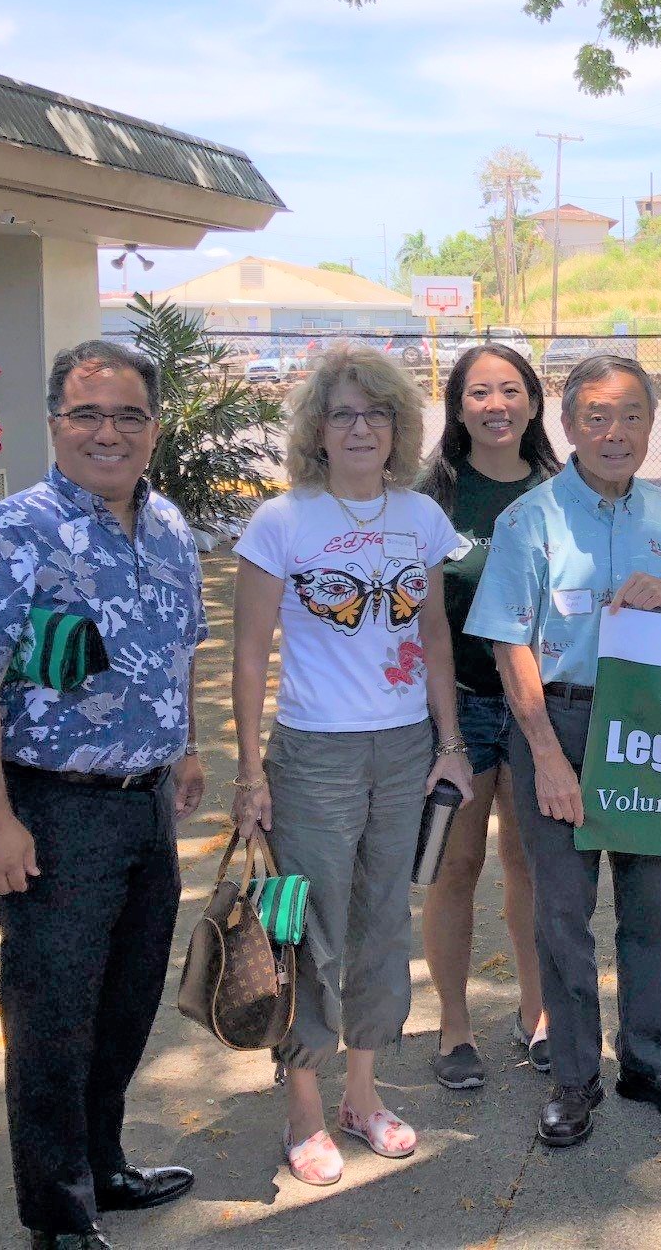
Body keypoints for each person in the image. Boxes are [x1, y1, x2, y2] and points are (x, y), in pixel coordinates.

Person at [0, 339, 207, 1250]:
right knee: (51, 1019)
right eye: (87, 414)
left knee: (125, 1004)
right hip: (50, 813)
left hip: (147, 803)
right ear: (54, 424)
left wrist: (187, 747)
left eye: (128, 415)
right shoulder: (5, 536)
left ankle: (105, 1166)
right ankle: (57, 1213)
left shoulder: (169, 530)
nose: (107, 432)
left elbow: (179, 648)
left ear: (154, 428)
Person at [231, 343, 472, 1188]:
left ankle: (361, 1096)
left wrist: (449, 744)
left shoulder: (420, 518)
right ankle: (301, 1104)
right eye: (343, 413)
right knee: (307, 930)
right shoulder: (283, 521)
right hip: (314, 755)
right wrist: (251, 771)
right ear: (317, 430)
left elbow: (433, 635)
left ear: (399, 427)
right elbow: (250, 652)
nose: (361, 427)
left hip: (406, 749)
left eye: (376, 413)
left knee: (382, 924)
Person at [470, 354, 661, 1148]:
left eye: (632, 417)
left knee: (651, 910)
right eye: (597, 417)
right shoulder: (530, 521)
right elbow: (512, 650)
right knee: (564, 916)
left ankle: (651, 1062)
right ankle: (573, 1080)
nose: (616, 434)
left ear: (652, 425)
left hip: (648, 732)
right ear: (569, 425)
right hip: (561, 727)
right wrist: (544, 754)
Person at [418, 344, 558, 1089]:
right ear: (458, 405)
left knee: (531, 866)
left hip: (538, 713)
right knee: (453, 867)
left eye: (511, 390)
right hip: (456, 715)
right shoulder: (431, 498)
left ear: (534, 404)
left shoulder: (562, 491)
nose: (496, 404)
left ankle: (537, 1015)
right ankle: (453, 1025)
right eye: (480, 392)